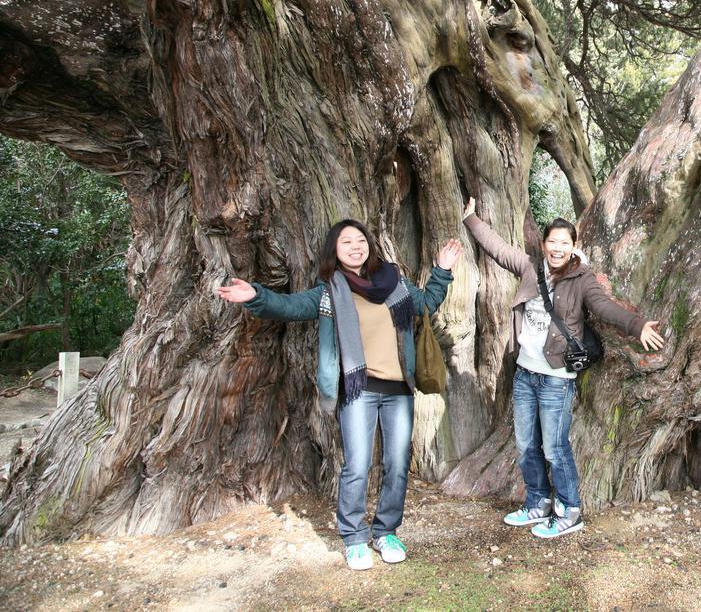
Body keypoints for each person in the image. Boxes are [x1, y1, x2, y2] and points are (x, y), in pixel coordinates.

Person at [216, 220, 461, 570]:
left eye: (360, 240)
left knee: (397, 466)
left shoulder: (394, 281)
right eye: (346, 242)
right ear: (335, 250)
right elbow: (291, 307)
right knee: (358, 466)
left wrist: (442, 271)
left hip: (399, 391)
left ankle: (386, 531)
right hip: (358, 391)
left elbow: (425, 305)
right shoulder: (331, 291)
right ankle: (354, 537)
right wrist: (256, 296)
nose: (354, 246)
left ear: (369, 245)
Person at [462, 197, 664, 538]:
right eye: (552, 242)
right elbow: (497, 248)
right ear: (543, 244)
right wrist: (471, 219)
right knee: (526, 444)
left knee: (555, 447)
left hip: (556, 379)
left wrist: (637, 325)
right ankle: (538, 503)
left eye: (564, 243)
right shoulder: (530, 267)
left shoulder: (582, 279)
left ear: (574, 247)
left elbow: (604, 308)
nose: (557, 248)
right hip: (525, 374)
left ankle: (570, 511)